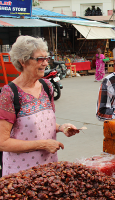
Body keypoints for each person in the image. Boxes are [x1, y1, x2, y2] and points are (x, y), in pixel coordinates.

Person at [0, 36, 80, 176]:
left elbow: (43, 124)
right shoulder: (9, 93)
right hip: (21, 172)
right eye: (39, 59)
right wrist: (43, 144)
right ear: (23, 61)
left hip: (49, 167)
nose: (45, 64)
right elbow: (3, 142)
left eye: (46, 58)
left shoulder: (46, 86)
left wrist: (61, 127)